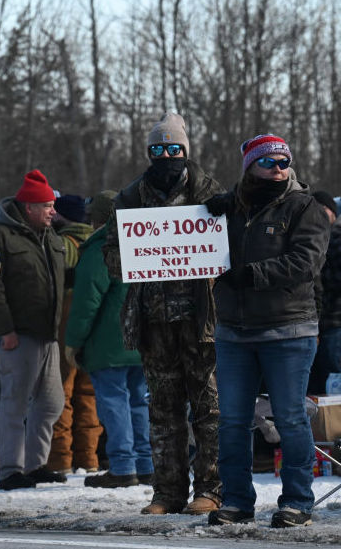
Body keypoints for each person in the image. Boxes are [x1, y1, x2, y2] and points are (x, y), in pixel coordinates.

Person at [203, 134, 330, 527]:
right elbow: (183, 245)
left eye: (283, 161)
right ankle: (237, 501)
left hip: (289, 330)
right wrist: (200, 219)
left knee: (290, 418)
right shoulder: (230, 209)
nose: (278, 168)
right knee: (232, 420)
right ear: (249, 167)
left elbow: (306, 262)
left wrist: (251, 275)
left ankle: (297, 502)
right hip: (234, 332)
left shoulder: (303, 207)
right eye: (269, 162)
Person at [103, 113, 223, 516]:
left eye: (174, 149)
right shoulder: (130, 198)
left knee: (209, 409)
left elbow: (229, 249)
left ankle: (211, 489)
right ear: (148, 154)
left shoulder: (210, 193)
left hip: (200, 320)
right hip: (153, 320)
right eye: (158, 150)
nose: (167, 156)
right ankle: (167, 493)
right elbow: (111, 255)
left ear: (186, 152)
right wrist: (130, 260)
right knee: (163, 411)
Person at [0, 170, 67, 490]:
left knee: (51, 402)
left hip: (46, 335)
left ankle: (35, 464)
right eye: (46, 206)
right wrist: (4, 330)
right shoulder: (0, 235)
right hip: (16, 335)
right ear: (29, 208)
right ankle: (11, 470)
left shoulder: (51, 235)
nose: (53, 211)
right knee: (14, 403)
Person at [65, 191, 153, 488]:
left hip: (109, 343)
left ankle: (122, 466)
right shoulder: (142, 241)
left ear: (99, 218)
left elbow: (87, 301)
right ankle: (146, 464)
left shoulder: (100, 249)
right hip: (142, 340)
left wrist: (74, 341)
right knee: (140, 403)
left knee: (114, 404)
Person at [46, 193, 103, 475]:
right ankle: (89, 458)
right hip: (98, 325)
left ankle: (59, 460)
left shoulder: (61, 244)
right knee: (89, 393)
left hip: (66, 324)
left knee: (61, 393)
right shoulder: (100, 242)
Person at [307, 191, 341, 394]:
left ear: (332, 212)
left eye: (322, 210)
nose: (318, 216)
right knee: (321, 387)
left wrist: (319, 277)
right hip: (323, 326)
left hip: (338, 325)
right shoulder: (324, 237)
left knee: (339, 385)